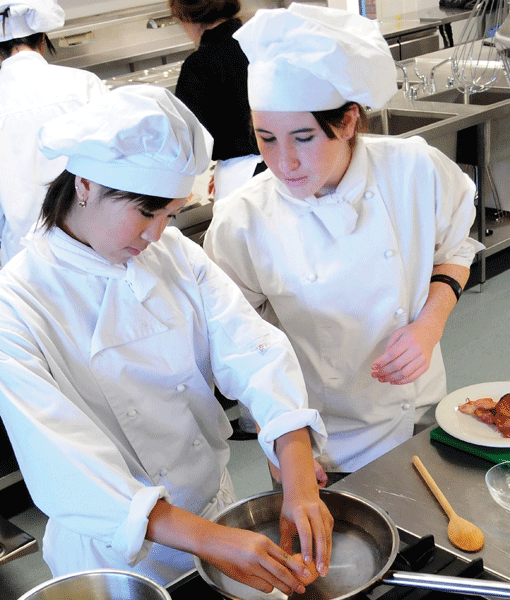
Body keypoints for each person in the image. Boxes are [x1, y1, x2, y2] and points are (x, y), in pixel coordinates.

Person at [0, 84, 333, 591]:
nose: (157, 234)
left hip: (214, 509)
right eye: (145, 212)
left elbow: (254, 351)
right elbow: (65, 462)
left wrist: (298, 470)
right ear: (86, 183)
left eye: (170, 214)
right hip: (115, 552)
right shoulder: (17, 303)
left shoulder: (175, 255)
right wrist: (210, 540)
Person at [204, 3, 484, 479]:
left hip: (420, 416)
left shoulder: (414, 170)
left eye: (303, 137)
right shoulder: (243, 220)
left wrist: (430, 323)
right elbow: (236, 344)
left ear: (349, 121)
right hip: (321, 446)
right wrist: (280, 440)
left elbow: (455, 248)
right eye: (266, 137)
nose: (284, 161)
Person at [0, 0, 108, 266]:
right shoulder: (83, 84)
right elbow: (115, 161)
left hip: (21, 259)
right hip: (89, 244)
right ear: (43, 39)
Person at [171, 0, 265, 201]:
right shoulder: (263, 43)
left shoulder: (199, 65)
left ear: (186, 18)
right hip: (286, 168)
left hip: (240, 182)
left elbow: (188, 144)